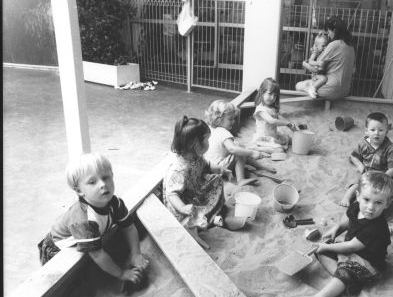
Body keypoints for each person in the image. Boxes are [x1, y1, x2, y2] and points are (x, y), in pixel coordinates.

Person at [37, 152, 149, 286]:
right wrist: (122, 274)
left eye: (106, 177)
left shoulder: (116, 203)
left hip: (88, 233)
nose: (103, 184)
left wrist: (136, 254)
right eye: (92, 182)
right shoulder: (83, 220)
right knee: (61, 283)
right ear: (79, 191)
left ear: (112, 176)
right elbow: (98, 255)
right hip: (57, 247)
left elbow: (129, 227)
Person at [292, 171, 393, 297]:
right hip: (349, 253)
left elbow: (352, 247)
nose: (370, 207)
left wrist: (327, 247)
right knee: (320, 251)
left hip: (368, 263)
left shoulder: (376, 227)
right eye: (366, 200)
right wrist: (337, 228)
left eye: (378, 202)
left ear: (387, 203)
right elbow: (350, 222)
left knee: (342, 265)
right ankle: (343, 281)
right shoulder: (357, 207)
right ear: (357, 196)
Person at [164, 116, 230, 249]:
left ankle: (209, 216)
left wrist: (221, 169)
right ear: (196, 144)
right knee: (189, 218)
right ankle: (194, 230)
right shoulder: (179, 169)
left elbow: (207, 165)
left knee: (216, 180)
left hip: (194, 190)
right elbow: (172, 194)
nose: (209, 143)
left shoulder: (195, 156)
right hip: (182, 202)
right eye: (207, 140)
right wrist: (182, 207)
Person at [339, 111, 393, 207]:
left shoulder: (390, 148)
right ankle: (346, 198)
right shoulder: (363, 144)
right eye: (372, 130)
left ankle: (385, 193)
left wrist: (383, 177)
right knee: (357, 185)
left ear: (386, 131)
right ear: (366, 131)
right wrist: (360, 166)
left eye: (381, 130)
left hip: (383, 176)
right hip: (368, 174)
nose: (376, 133)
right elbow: (353, 156)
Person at [204, 99, 274, 187]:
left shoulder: (210, 128)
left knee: (239, 149)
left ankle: (260, 166)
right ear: (219, 119)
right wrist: (252, 152)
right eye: (230, 119)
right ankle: (241, 180)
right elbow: (233, 149)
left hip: (209, 166)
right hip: (220, 168)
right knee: (238, 152)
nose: (233, 121)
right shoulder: (224, 132)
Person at [296, 16, 356, 100]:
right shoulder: (351, 47)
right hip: (345, 90)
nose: (328, 35)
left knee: (298, 85)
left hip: (331, 89)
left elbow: (318, 68)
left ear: (334, 30)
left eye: (328, 32)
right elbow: (353, 70)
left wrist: (306, 63)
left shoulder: (334, 44)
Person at [253, 77, 297, 152]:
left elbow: (281, 118)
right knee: (280, 150)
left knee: (290, 140)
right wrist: (287, 123)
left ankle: (275, 144)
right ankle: (256, 148)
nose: (272, 98)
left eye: (275, 95)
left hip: (273, 135)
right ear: (262, 92)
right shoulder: (260, 109)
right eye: (270, 94)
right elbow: (272, 121)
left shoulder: (272, 108)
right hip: (264, 138)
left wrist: (292, 126)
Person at [303, 33, 329, 99]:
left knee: (324, 78)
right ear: (316, 46)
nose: (325, 48)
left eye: (326, 45)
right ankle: (312, 88)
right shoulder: (315, 53)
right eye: (323, 46)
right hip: (316, 74)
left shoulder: (324, 53)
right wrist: (318, 63)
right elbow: (310, 61)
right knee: (324, 78)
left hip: (319, 73)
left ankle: (313, 87)